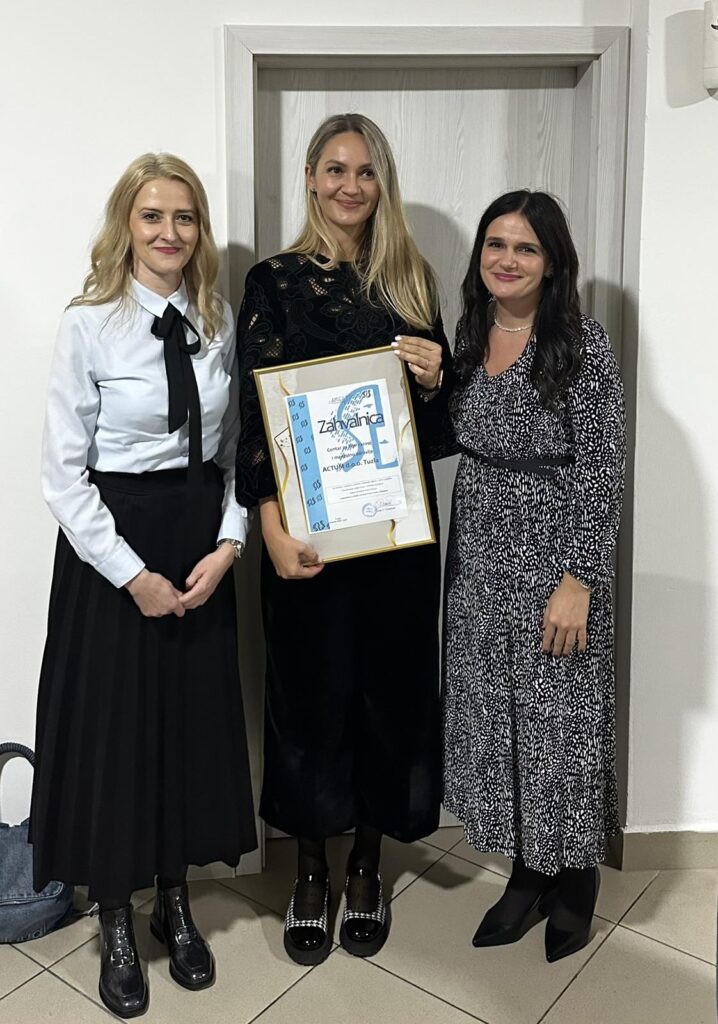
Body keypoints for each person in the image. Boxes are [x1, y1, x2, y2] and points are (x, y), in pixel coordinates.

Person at [30, 153, 256, 1017]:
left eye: (184, 217)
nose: (169, 232)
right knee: (114, 734)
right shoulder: (89, 325)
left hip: (197, 542)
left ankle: (175, 899)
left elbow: (236, 454)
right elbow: (62, 477)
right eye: (153, 216)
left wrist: (229, 543)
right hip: (113, 553)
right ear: (126, 224)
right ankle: (116, 916)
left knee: (186, 726)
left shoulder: (216, 321)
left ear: (200, 230)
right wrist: (133, 576)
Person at [236, 113, 451, 965]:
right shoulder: (273, 282)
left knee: (389, 697)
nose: (350, 185)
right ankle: (310, 871)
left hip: (397, 539)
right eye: (335, 169)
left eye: (365, 171)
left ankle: (366, 865)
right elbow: (253, 414)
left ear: (381, 182)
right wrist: (269, 526)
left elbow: (438, 430)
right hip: (307, 542)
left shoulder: (412, 281)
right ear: (311, 178)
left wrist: (436, 379)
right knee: (308, 700)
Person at [442, 190, 625, 964]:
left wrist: (580, 577)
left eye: (525, 248)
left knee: (561, 727)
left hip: (554, 562)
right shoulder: (469, 332)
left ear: (552, 263)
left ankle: (574, 876)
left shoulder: (581, 344)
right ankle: (528, 869)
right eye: (496, 245)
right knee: (499, 719)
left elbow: (603, 466)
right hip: (479, 560)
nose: (507, 260)